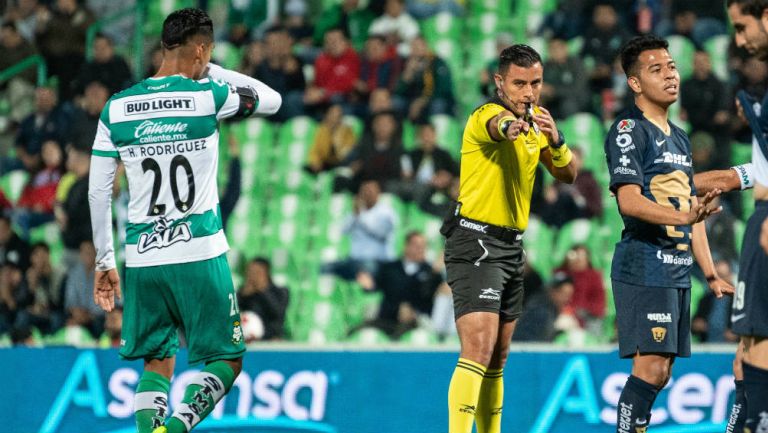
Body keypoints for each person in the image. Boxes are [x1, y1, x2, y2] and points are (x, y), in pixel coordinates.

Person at [87, 8, 281, 433]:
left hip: (142, 258)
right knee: (228, 358)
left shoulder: (116, 108)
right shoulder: (208, 95)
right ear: (201, 49)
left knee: (158, 358)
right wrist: (213, 69)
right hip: (199, 249)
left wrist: (106, 261)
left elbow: (98, 192)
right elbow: (272, 99)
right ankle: (175, 429)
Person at [441, 44, 577, 433]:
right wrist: (510, 127)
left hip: (511, 247)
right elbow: (495, 128)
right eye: (519, 83)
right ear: (500, 82)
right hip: (475, 242)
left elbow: (566, 173)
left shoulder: (536, 127)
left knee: (498, 356)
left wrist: (556, 139)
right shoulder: (486, 115)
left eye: (535, 82)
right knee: (478, 348)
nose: (529, 92)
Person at [604, 35, 733, 433]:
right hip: (644, 265)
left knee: (662, 375)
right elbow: (629, 201)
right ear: (635, 83)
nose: (670, 75)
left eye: (672, 67)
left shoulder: (679, 137)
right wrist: (682, 217)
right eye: (656, 69)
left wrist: (710, 272)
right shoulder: (629, 129)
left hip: (676, 270)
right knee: (650, 369)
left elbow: (688, 213)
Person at [237, 257, 289, 341]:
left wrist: (263, 291)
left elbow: (278, 313)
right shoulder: (243, 292)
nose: (253, 276)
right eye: (250, 271)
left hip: (271, 339)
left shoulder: (280, 291)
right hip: (247, 339)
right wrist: (243, 295)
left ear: (266, 272)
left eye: (257, 272)